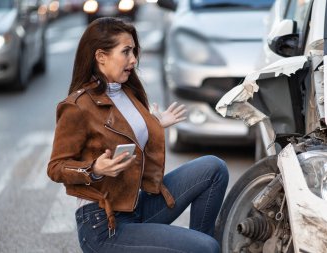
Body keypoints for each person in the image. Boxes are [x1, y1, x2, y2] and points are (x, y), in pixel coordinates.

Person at [47, 17, 229, 253]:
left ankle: (197, 246)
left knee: (213, 168)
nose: (133, 59)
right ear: (101, 56)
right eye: (126, 52)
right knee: (207, 248)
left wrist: (154, 123)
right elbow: (56, 167)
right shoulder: (77, 106)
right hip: (104, 225)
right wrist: (95, 169)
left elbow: (126, 132)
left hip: (136, 206)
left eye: (134, 51)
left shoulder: (126, 91)